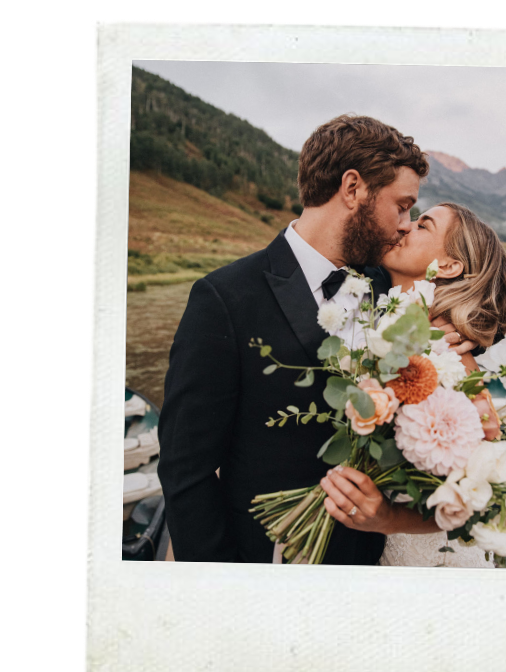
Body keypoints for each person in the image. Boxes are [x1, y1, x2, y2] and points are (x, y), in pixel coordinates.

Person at [157, 115, 477, 564]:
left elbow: (466, 301)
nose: (406, 224)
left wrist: (466, 343)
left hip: (369, 565)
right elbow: (184, 467)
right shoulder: (225, 297)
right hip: (264, 561)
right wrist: (222, 582)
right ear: (352, 188)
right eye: (401, 205)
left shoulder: (388, 288)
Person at [319, 202, 506, 567]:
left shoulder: (449, 356)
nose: (404, 227)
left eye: (423, 225)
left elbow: (477, 496)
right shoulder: (379, 301)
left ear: (449, 266)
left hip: (427, 559)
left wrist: (388, 518)